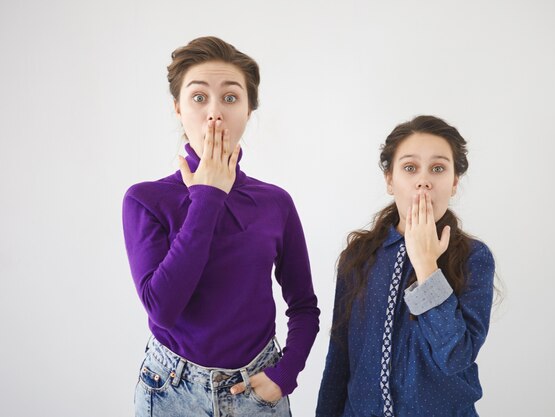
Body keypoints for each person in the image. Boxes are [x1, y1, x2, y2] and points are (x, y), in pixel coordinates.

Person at [122, 36, 320, 417]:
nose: (215, 113)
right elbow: (162, 308)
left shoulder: (275, 202)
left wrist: (286, 373)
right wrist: (208, 196)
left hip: (257, 391)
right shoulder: (144, 200)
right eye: (199, 98)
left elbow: (304, 306)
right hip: (172, 392)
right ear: (178, 108)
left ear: (248, 110)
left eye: (230, 98)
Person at [316, 115, 496, 417]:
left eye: (438, 168)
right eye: (410, 168)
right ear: (390, 180)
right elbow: (339, 359)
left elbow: (455, 356)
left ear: (453, 183)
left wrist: (427, 267)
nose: (423, 180)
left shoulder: (474, 257)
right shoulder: (359, 257)